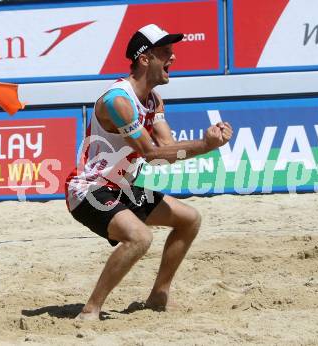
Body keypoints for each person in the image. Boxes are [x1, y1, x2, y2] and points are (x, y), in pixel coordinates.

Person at [65, 23, 233, 320]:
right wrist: (205, 146)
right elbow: (152, 153)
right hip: (89, 190)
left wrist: (208, 143)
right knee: (140, 238)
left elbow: (167, 150)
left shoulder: (153, 100)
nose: (174, 58)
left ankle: (158, 295)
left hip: (122, 188)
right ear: (145, 59)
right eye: (166, 52)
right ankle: (91, 309)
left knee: (190, 220)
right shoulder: (119, 101)